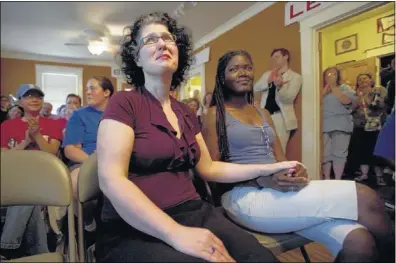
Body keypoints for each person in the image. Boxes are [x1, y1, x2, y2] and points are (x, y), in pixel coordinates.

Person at [95, 12, 299, 263]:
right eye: (150, 40)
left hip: (194, 212)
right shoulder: (124, 102)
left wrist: (268, 168)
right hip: (133, 227)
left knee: (259, 257)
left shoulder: (185, 113)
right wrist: (175, 233)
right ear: (136, 58)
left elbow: (210, 168)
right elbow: (111, 179)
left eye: (167, 39)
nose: (161, 44)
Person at [201, 50, 395, 262]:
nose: (243, 73)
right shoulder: (215, 114)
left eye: (247, 67)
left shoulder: (262, 113)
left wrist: (293, 170)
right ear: (222, 77)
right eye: (234, 68)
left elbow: (280, 160)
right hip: (244, 196)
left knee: (359, 242)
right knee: (365, 196)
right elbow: (213, 172)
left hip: (280, 190)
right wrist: (258, 178)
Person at [0, 84, 64, 258]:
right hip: (16, 177)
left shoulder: (53, 124)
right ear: (20, 102)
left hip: (45, 177)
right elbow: (5, 159)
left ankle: (7, 246)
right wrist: (26, 142)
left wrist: (36, 136)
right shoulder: (7, 125)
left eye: (38, 96)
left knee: (30, 192)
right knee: (31, 198)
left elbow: (52, 154)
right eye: (28, 96)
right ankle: (40, 253)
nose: (34, 99)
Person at [62, 76, 114, 232]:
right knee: (74, 183)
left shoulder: (120, 114)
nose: (88, 93)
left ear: (106, 92)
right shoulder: (79, 115)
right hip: (85, 162)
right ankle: (87, 221)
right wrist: (94, 161)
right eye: (87, 89)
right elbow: (70, 150)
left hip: (117, 161)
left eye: (92, 88)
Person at [253, 48, 302, 153]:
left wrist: (280, 87)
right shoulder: (267, 74)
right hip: (264, 117)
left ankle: (280, 170)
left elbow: (288, 99)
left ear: (286, 57)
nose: (274, 60)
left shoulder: (295, 77)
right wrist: (268, 81)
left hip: (280, 118)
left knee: (279, 150)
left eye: (277, 57)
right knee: (264, 149)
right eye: (273, 58)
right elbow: (255, 88)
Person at [348, 73, 388, 186]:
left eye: (365, 78)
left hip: (376, 127)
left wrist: (365, 97)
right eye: (359, 79)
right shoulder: (355, 94)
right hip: (360, 126)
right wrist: (357, 100)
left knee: (377, 152)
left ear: (371, 80)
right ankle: (364, 174)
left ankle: (380, 177)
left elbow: (379, 106)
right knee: (362, 151)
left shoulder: (379, 90)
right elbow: (350, 110)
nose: (362, 81)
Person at [322, 67, 356, 180]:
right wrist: (323, 93)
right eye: (327, 74)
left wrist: (333, 87)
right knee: (325, 154)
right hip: (324, 125)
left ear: (338, 76)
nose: (330, 76)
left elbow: (347, 101)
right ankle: (326, 178)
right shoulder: (321, 90)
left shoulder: (345, 88)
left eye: (333, 73)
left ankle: (337, 179)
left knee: (340, 154)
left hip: (341, 125)